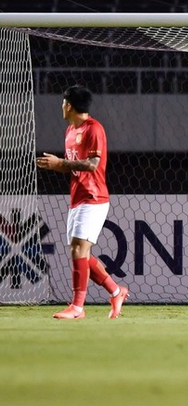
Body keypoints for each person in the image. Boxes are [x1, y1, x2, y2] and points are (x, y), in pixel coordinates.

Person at [36, 85, 129, 319]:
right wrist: (57, 166)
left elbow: (92, 164)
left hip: (94, 197)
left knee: (79, 249)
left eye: (63, 102)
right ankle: (116, 291)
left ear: (69, 105)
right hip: (77, 198)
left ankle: (77, 307)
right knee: (81, 254)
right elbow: (72, 166)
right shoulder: (70, 131)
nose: (61, 106)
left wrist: (61, 163)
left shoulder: (94, 129)